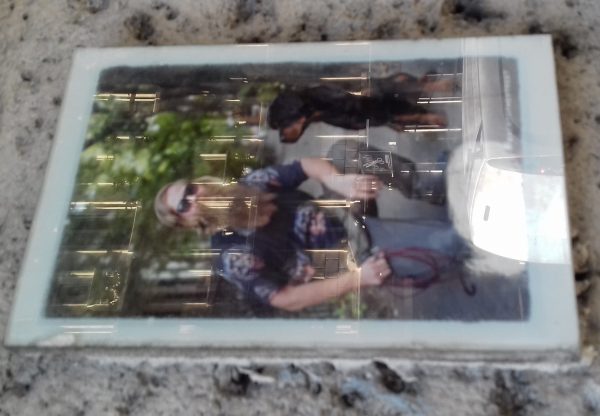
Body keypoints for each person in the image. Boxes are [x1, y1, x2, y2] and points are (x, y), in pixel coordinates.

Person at [267, 72, 455, 143]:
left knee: (388, 89)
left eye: (286, 125)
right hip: (371, 110)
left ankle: (426, 89)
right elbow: (353, 120)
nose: (289, 129)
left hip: (372, 97)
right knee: (393, 116)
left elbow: (351, 91)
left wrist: (360, 96)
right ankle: (422, 107)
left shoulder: (318, 94)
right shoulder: (316, 113)